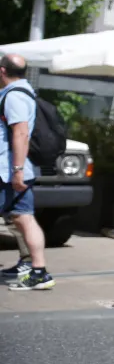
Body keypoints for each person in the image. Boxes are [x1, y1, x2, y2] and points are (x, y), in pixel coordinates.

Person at [0, 54, 54, 291]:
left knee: (25, 219)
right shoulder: (23, 92)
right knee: (24, 218)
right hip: (16, 170)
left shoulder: (13, 96)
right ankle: (39, 271)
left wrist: (17, 171)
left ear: (2, 71)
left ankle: (38, 271)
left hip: (7, 171)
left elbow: (21, 133)